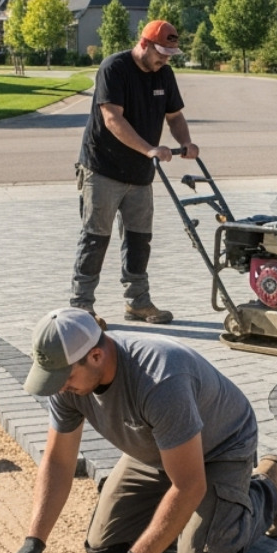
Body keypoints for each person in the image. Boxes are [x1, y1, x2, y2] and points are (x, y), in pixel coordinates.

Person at [4, 308, 277, 553]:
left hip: (219, 449)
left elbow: (189, 484)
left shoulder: (159, 379)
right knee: (106, 549)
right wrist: (34, 539)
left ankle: (268, 488)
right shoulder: (68, 379)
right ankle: (192, 518)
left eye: (64, 378)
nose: (60, 387)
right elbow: (59, 462)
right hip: (154, 450)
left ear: (95, 356)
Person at [69, 19, 197, 327]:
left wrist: (185, 142)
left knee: (140, 239)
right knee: (96, 237)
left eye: (170, 54)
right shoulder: (114, 68)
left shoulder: (164, 74)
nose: (165, 59)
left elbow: (175, 116)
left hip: (139, 173)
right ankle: (81, 305)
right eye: (161, 53)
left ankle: (138, 302)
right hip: (103, 167)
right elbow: (112, 119)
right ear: (144, 44)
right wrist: (150, 149)